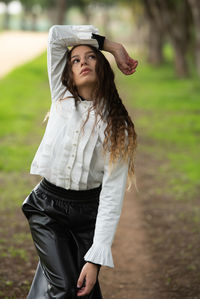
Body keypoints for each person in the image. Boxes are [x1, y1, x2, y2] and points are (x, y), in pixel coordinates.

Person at [21, 24, 138, 299]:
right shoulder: (61, 98)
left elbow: (111, 195)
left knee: (83, 289)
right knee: (64, 287)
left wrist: (95, 259)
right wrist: (111, 47)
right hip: (47, 209)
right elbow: (56, 36)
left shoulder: (116, 127)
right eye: (75, 60)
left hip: (88, 216)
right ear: (69, 77)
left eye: (91, 57)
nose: (83, 61)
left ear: (103, 70)